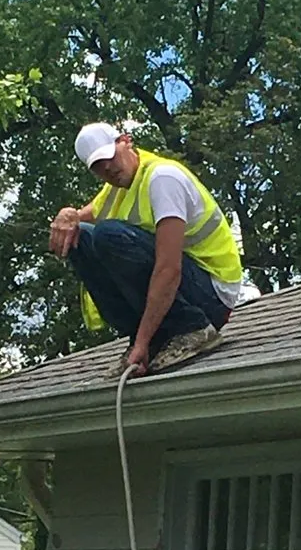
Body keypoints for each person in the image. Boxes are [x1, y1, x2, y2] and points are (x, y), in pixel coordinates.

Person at [49, 122, 247, 377]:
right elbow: (80, 218)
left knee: (108, 234)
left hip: (211, 296)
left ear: (126, 141)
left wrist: (142, 342)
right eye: (97, 166)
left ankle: (193, 329)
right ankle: (152, 340)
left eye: (108, 157)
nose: (106, 168)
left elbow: (168, 269)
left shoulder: (163, 178)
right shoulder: (116, 191)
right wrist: (67, 214)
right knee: (80, 238)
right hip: (184, 292)